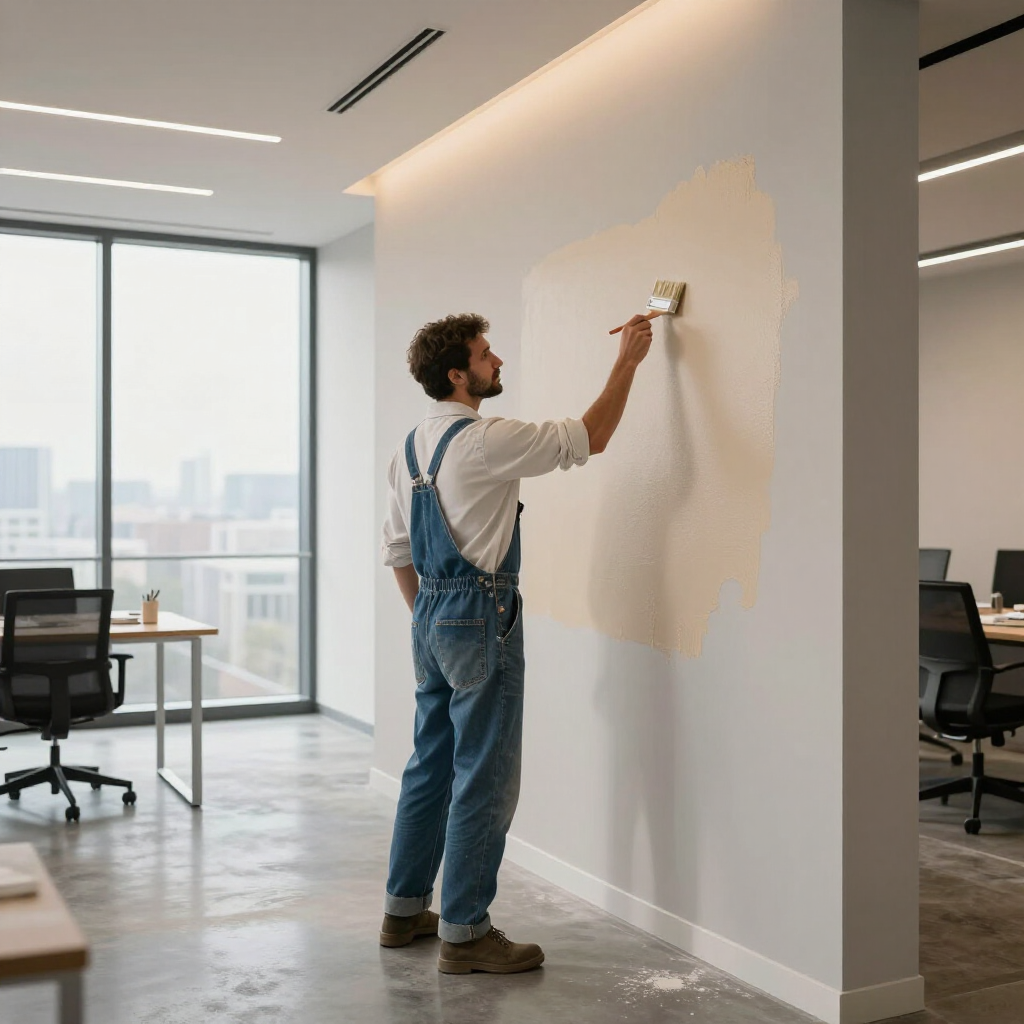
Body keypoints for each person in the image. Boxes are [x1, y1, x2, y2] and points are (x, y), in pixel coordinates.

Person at [379, 310, 654, 974]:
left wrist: (432, 620)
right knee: (486, 773)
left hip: (429, 616)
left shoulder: (410, 448)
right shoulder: (483, 439)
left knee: (429, 764)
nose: (497, 361)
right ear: (458, 374)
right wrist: (630, 361)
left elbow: (396, 553)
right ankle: (465, 935)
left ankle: (404, 910)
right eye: (485, 353)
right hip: (480, 611)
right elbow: (593, 435)